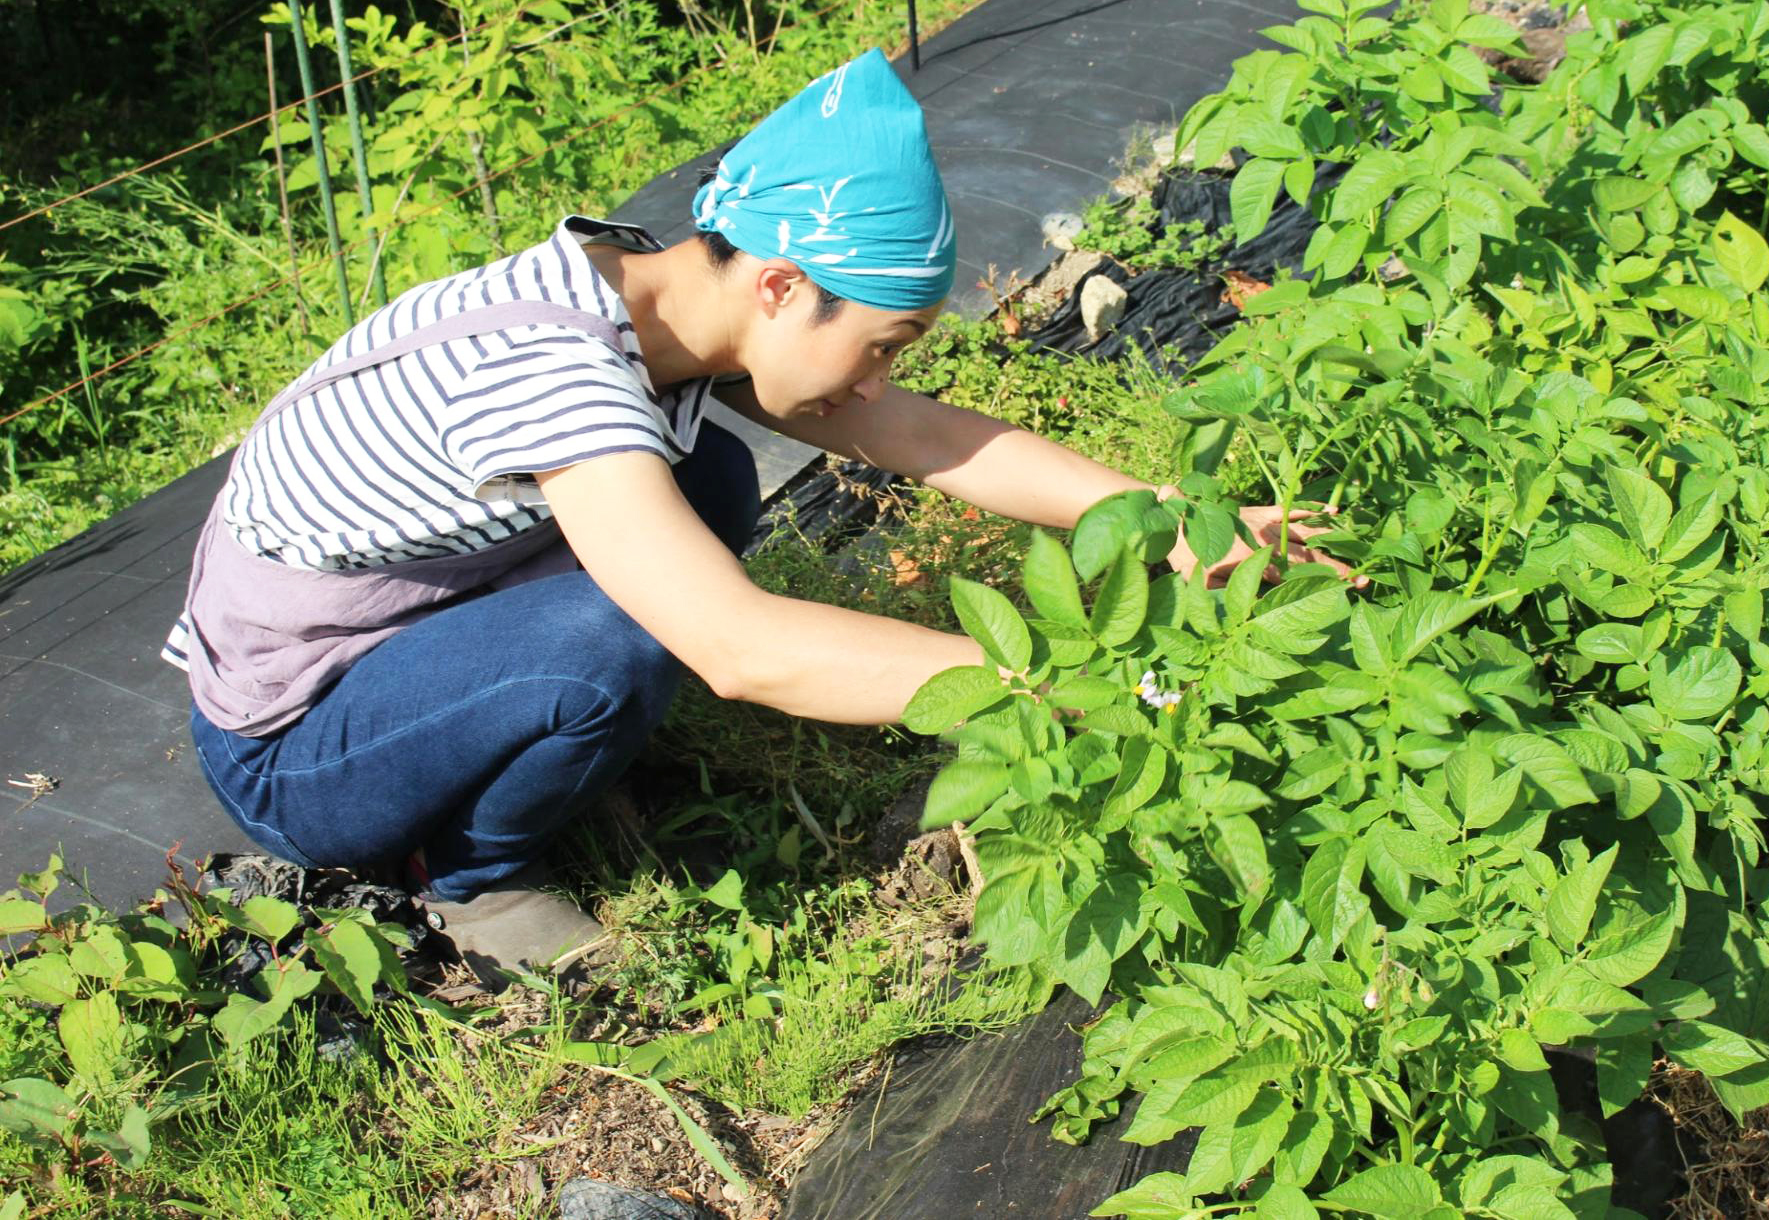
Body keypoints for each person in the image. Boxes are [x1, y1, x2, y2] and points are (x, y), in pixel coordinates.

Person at [166, 49, 1336, 985]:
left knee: (711, 478)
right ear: (779, 285)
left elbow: (927, 438)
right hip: (291, 745)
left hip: (413, 626)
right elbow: (740, 648)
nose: (877, 383)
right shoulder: (552, 371)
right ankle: (470, 872)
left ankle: (520, 733)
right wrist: (1048, 687)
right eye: (879, 346)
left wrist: (1180, 519)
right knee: (615, 641)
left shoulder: (662, 297)